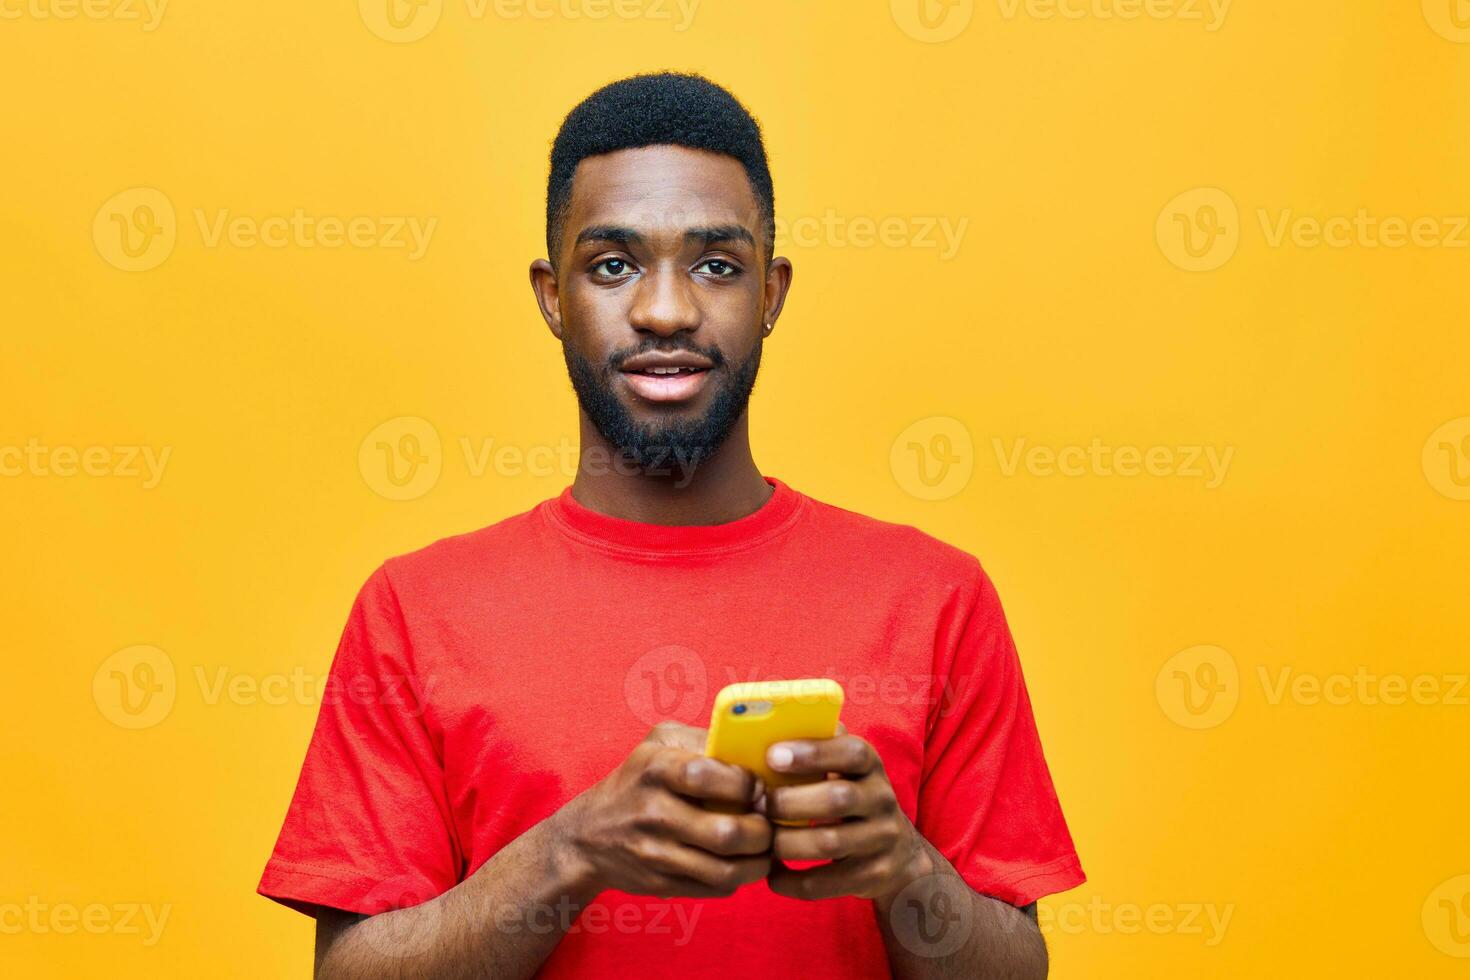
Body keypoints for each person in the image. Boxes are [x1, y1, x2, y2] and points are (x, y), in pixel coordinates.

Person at [259, 71, 1084, 979]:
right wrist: (572, 850)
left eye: (716, 265)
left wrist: (902, 870)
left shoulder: (937, 597)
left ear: (771, 293)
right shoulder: (414, 610)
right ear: (550, 295)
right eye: (613, 264)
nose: (665, 311)